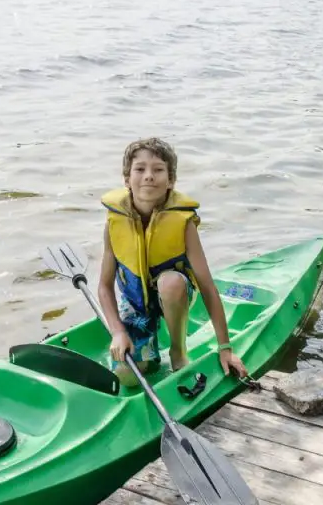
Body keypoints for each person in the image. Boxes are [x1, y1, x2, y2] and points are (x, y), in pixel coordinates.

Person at [97, 137, 248, 387]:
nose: (148, 176)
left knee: (170, 283)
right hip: (136, 303)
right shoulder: (114, 222)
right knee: (127, 377)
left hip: (175, 294)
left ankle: (178, 350)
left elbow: (207, 286)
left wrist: (225, 348)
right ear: (127, 179)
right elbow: (104, 287)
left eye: (158, 170)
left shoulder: (183, 222)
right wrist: (118, 332)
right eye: (140, 169)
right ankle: (149, 350)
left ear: (171, 181)